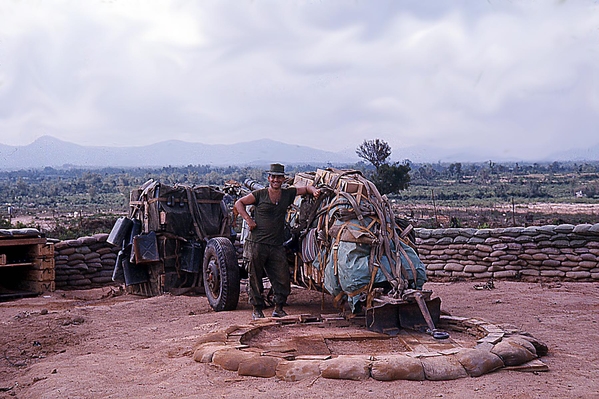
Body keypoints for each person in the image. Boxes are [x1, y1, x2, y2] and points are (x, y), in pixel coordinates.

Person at [234, 163, 320, 320]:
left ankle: (279, 307)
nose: (275, 180)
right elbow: (239, 203)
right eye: (273, 177)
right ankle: (257, 309)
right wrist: (248, 220)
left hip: (276, 244)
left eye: (279, 177)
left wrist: (314, 191)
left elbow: (306, 189)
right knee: (255, 276)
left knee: (282, 277)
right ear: (269, 178)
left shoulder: (287, 194)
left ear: (283, 179)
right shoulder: (259, 195)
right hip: (257, 243)